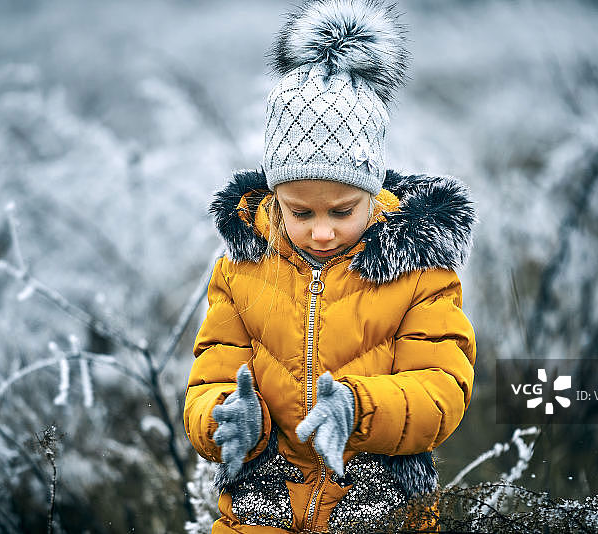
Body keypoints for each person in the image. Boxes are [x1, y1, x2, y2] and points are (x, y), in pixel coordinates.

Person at [184, 1, 476, 532]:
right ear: (274, 196)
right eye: (300, 212)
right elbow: (208, 382)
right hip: (261, 505)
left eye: (342, 211)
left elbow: (442, 388)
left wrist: (359, 410)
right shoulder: (241, 270)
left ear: (373, 193)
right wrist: (225, 420)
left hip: (378, 504)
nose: (322, 231)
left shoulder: (419, 272)